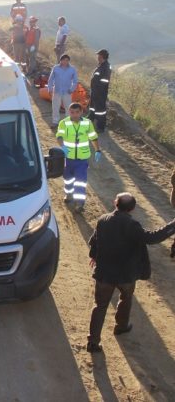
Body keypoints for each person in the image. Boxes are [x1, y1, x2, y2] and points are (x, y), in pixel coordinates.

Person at [86, 192, 175, 353]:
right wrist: (172, 225)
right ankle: (121, 326)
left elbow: (95, 240)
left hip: (104, 273)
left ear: (115, 203)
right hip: (125, 275)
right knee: (126, 298)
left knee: (100, 306)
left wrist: (93, 255)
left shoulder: (103, 220)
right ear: (132, 208)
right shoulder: (132, 225)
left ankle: (93, 341)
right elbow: (152, 238)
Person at [56, 102, 101, 212]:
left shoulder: (87, 123)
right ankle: (69, 194)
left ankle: (79, 204)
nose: (74, 114)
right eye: (72, 112)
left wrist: (97, 150)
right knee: (68, 180)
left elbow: (93, 137)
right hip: (68, 158)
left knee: (80, 181)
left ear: (81, 112)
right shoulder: (63, 123)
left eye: (77, 112)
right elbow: (59, 136)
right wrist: (62, 146)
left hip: (82, 159)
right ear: (69, 112)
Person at [47, 54, 78, 127]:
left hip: (67, 92)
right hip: (57, 91)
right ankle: (55, 122)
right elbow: (51, 79)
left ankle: (67, 122)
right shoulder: (55, 68)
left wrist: (72, 89)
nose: (65, 61)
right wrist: (50, 89)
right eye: (63, 60)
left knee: (68, 108)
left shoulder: (72, 69)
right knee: (55, 107)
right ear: (60, 60)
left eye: (67, 60)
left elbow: (75, 81)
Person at [88, 49, 112, 133]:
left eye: (98, 55)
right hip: (95, 92)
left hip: (100, 93)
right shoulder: (100, 66)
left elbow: (104, 81)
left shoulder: (106, 67)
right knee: (92, 107)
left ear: (102, 56)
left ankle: (100, 127)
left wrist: (98, 91)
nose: (97, 57)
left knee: (100, 111)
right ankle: (90, 120)